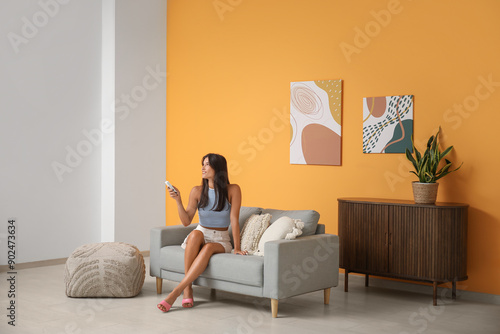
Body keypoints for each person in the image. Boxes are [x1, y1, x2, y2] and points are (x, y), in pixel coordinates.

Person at [157, 153, 246, 312]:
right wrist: (178, 200)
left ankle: (177, 291)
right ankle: (187, 289)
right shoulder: (197, 191)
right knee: (195, 234)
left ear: (217, 168)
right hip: (201, 233)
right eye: (202, 164)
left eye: (206, 165)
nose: (202, 168)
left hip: (221, 239)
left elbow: (234, 220)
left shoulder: (233, 189)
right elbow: (186, 222)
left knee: (209, 247)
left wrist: (237, 247)